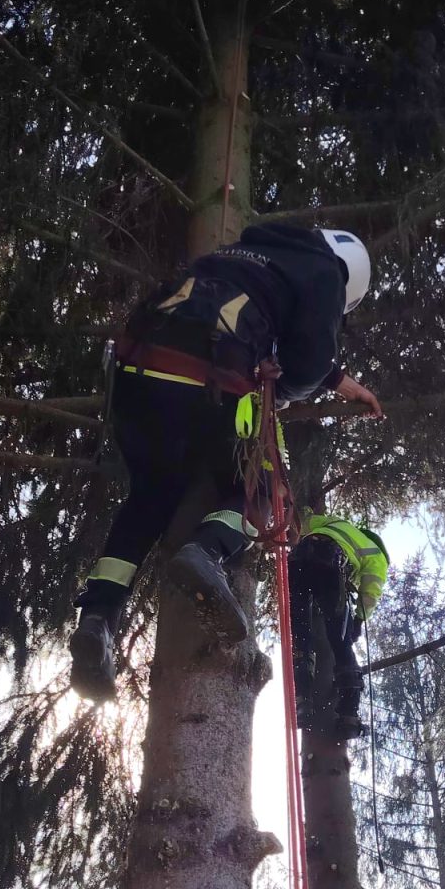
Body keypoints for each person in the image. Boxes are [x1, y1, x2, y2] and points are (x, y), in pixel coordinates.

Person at [69, 222, 381, 702]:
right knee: (265, 490)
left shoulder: (243, 253)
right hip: (206, 380)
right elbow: (310, 358)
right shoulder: (324, 271)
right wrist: (291, 393)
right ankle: (208, 550)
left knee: (150, 495)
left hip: (137, 372)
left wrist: (340, 382)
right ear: (349, 276)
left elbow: (255, 316)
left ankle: (98, 616)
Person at [289, 514, 389, 739]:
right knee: (341, 641)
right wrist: (359, 620)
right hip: (330, 562)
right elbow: (370, 592)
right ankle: (348, 716)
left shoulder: (337, 523)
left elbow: (307, 522)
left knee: (301, 637)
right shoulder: (377, 554)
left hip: (298, 559)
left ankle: (301, 701)